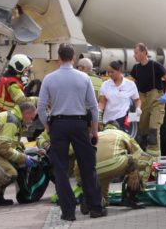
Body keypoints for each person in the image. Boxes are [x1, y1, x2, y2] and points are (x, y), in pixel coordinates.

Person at [37, 43, 105, 221]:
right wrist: (94, 130)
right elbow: (93, 106)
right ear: (73, 58)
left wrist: (47, 125)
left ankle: (68, 212)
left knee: (60, 169)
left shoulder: (49, 78)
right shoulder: (84, 78)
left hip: (58, 125)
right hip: (79, 124)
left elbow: (41, 107)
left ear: (58, 58)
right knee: (87, 166)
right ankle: (95, 207)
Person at [130, 43, 166, 157]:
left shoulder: (155, 66)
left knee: (153, 132)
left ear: (144, 52)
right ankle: (145, 160)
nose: (134, 55)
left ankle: (155, 160)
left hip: (156, 101)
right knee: (143, 133)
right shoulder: (136, 68)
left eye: (136, 52)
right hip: (142, 101)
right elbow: (131, 85)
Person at [95, 128, 153, 209]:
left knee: (104, 196)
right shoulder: (121, 134)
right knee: (143, 160)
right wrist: (134, 172)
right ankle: (132, 196)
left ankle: (97, 201)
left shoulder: (97, 134)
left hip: (94, 169)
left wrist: (80, 180)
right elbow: (139, 154)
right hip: (114, 164)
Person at [98, 60, 141, 131]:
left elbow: (137, 100)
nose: (110, 74)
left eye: (112, 72)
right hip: (108, 119)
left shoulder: (130, 84)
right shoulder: (105, 84)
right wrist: (99, 111)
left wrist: (138, 108)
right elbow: (102, 102)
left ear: (119, 71)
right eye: (108, 72)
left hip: (123, 118)